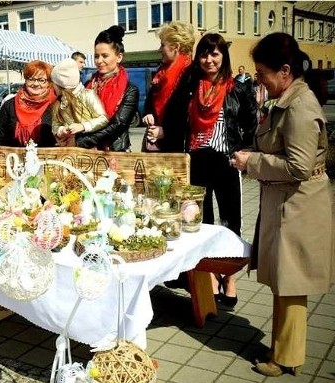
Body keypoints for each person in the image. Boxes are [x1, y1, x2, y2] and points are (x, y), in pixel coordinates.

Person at [232, 32, 333, 378]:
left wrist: (251, 163)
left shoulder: (301, 107)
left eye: (262, 73)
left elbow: (299, 166)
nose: (258, 79)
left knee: (291, 284)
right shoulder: (288, 100)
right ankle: (282, 349)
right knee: (283, 283)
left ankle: (286, 358)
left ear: (285, 70)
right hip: (287, 203)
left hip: (299, 206)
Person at [162, 34, 258, 304]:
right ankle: (211, 276)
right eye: (204, 54)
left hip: (226, 162)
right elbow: (171, 117)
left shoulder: (237, 89)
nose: (209, 60)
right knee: (201, 221)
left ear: (223, 57)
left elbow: (252, 122)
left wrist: (245, 151)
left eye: (215, 54)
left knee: (230, 222)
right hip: (196, 161)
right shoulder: (191, 86)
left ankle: (230, 277)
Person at [80, 25, 139, 151]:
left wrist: (84, 141)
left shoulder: (130, 90)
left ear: (119, 57)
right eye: (96, 56)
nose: (99, 61)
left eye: (105, 56)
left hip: (114, 150)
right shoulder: (88, 85)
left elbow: (118, 124)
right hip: (88, 152)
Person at [142, 21, 196, 152]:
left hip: (178, 148)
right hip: (156, 145)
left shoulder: (191, 74)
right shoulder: (161, 73)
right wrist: (148, 114)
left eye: (162, 45)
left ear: (175, 47)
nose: (159, 49)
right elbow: (150, 103)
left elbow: (191, 117)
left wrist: (166, 131)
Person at [0, 60, 57, 147]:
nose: (36, 84)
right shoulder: (10, 106)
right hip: (14, 158)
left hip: (49, 159)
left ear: (48, 82)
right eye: (31, 79)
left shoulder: (56, 104)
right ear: (25, 80)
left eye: (41, 80)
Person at [50, 58, 108, 147]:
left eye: (53, 83)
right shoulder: (59, 101)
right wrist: (61, 130)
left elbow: (103, 118)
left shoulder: (88, 95)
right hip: (68, 148)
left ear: (60, 85)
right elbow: (55, 124)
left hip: (89, 147)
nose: (52, 86)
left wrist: (83, 126)